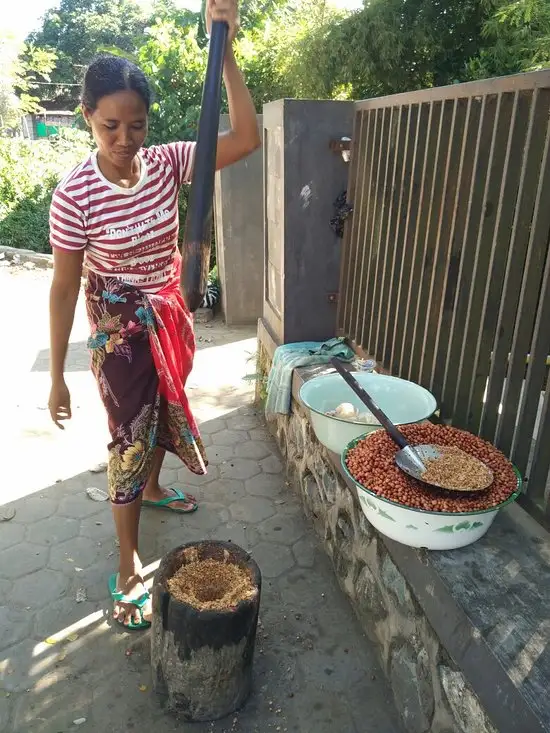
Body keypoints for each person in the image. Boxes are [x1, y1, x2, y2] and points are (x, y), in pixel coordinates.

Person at [48, 0, 260, 630]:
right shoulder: (74, 195)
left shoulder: (168, 161)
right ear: (88, 117)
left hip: (169, 315)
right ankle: (129, 560)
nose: (123, 140)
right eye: (110, 125)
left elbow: (245, 138)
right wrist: (58, 374)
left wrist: (227, 55)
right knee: (127, 438)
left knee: (166, 407)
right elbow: (62, 288)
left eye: (135, 125)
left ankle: (152, 485)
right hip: (118, 334)